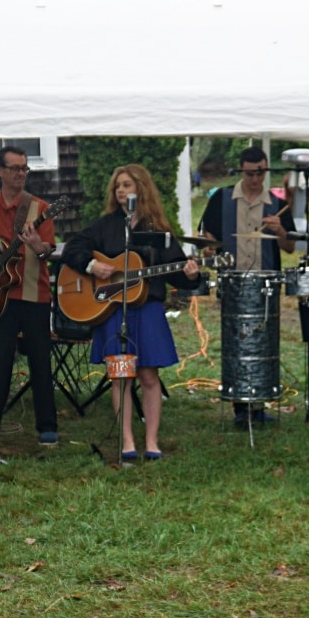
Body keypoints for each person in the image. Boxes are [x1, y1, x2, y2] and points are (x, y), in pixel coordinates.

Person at [61, 164, 197, 460]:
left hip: (147, 309)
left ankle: (151, 441)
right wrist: (92, 265)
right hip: (113, 310)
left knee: (149, 376)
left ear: (141, 189)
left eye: (126, 185)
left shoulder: (157, 230)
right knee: (121, 376)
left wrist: (190, 274)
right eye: (117, 186)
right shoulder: (106, 226)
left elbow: (175, 270)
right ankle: (126, 442)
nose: (120, 191)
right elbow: (72, 249)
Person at [0, 146, 59, 446]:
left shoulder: (40, 207)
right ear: (0, 171)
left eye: (24, 168)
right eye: (15, 168)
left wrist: (36, 245)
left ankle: (47, 425)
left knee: (40, 362)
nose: (21, 174)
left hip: (34, 294)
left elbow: (48, 250)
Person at [197, 146, 296, 426]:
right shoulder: (222, 199)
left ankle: (260, 400)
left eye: (261, 172)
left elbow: (289, 248)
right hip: (234, 282)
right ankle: (240, 405)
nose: (256, 179)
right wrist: (208, 249)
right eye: (251, 173)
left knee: (264, 341)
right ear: (241, 170)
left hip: (265, 284)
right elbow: (207, 234)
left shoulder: (276, 204)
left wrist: (280, 231)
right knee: (236, 341)